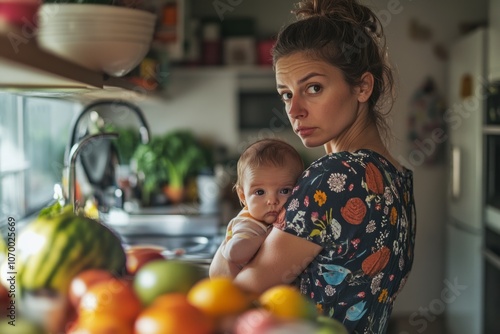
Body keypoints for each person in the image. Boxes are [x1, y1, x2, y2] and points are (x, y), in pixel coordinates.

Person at [209, 0, 416, 333]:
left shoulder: (336, 176)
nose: (295, 110)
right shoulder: (396, 176)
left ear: (362, 87)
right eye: (287, 94)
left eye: (313, 88)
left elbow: (233, 295)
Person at [218, 138, 304, 277]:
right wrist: (266, 238)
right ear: (243, 197)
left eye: (284, 191)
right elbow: (234, 252)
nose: (272, 200)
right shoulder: (249, 224)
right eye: (259, 192)